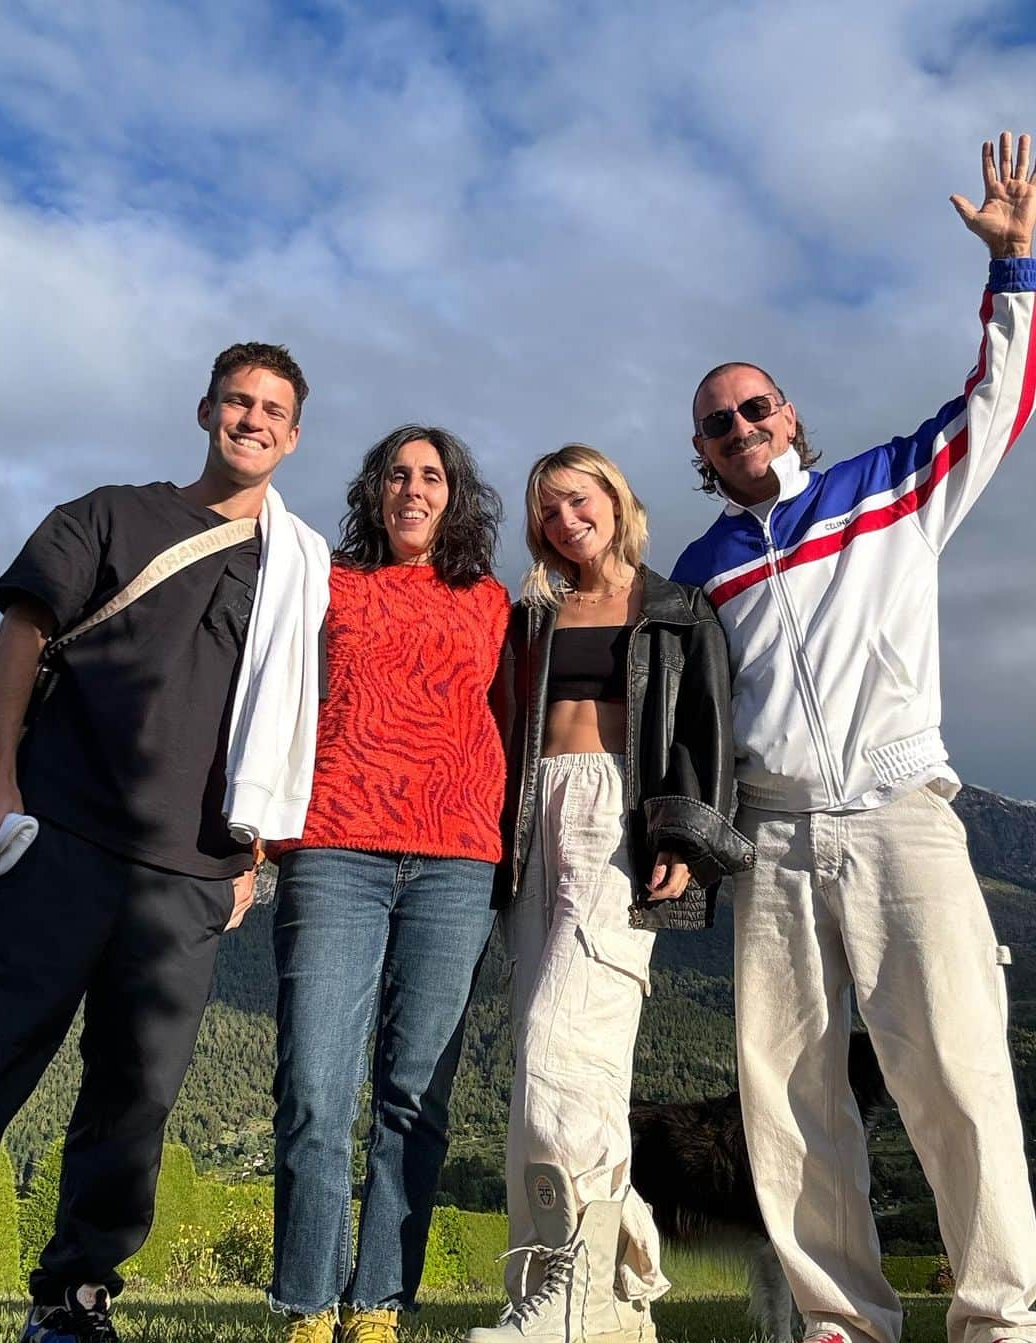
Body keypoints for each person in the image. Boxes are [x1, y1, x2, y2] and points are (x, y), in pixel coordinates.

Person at [672, 132, 1036, 1343]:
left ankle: (997, 1316)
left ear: (791, 413)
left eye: (753, 406)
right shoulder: (702, 569)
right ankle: (842, 1317)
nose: (740, 428)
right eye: (718, 425)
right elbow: (682, 714)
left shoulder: (886, 490)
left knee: (956, 1073)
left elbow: (1000, 402)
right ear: (704, 454)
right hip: (772, 839)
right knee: (787, 1091)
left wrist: (1014, 266)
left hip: (900, 816)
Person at [0, 342, 329, 1343]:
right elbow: (23, 631)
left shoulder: (297, 566)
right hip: (61, 831)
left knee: (135, 1097)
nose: (252, 419)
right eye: (238, 400)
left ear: (295, 435)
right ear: (205, 409)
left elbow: (291, 719)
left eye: (273, 409)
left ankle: (75, 1297)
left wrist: (252, 856)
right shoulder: (113, 513)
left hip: (193, 867)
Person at [467, 446, 753, 1343]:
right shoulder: (534, 612)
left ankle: (583, 1290)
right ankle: (589, 1301)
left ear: (615, 501)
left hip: (616, 819)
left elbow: (707, 725)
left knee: (565, 1051)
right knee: (536, 1076)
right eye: (546, 509)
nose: (563, 520)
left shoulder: (674, 608)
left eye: (576, 499)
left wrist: (689, 836)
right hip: (529, 823)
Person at [268, 425, 509, 1343]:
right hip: (335, 848)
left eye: (432, 475)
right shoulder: (328, 585)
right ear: (376, 491)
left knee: (415, 1094)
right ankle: (303, 1305)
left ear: (455, 496)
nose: (414, 488)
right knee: (317, 1090)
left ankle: (377, 1306)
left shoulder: (493, 604)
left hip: (457, 859)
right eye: (398, 475)